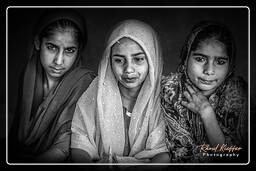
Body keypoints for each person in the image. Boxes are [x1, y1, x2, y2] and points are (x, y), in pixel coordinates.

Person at [71, 19, 170, 164]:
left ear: (152, 59)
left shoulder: (166, 94)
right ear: (109, 60)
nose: (128, 69)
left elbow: (164, 154)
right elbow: (80, 142)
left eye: (138, 59)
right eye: (119, 60)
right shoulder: (97, 90)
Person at [8, 9, 95, 163]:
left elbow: (66, 144)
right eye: (52, 47)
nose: (59, 61)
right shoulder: (29, 75)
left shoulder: (84, 82)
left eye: (69, 50)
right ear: (37, 43)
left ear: (78, 51)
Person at [161, 21, 248, 163]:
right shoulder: (169, 90)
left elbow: (234, 159)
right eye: (200, 59)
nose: (209, 71)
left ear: (230, 66)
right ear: (185, 58)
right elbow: (180, 156)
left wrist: (207, 113)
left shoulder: (237, 93)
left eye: (220, 62)